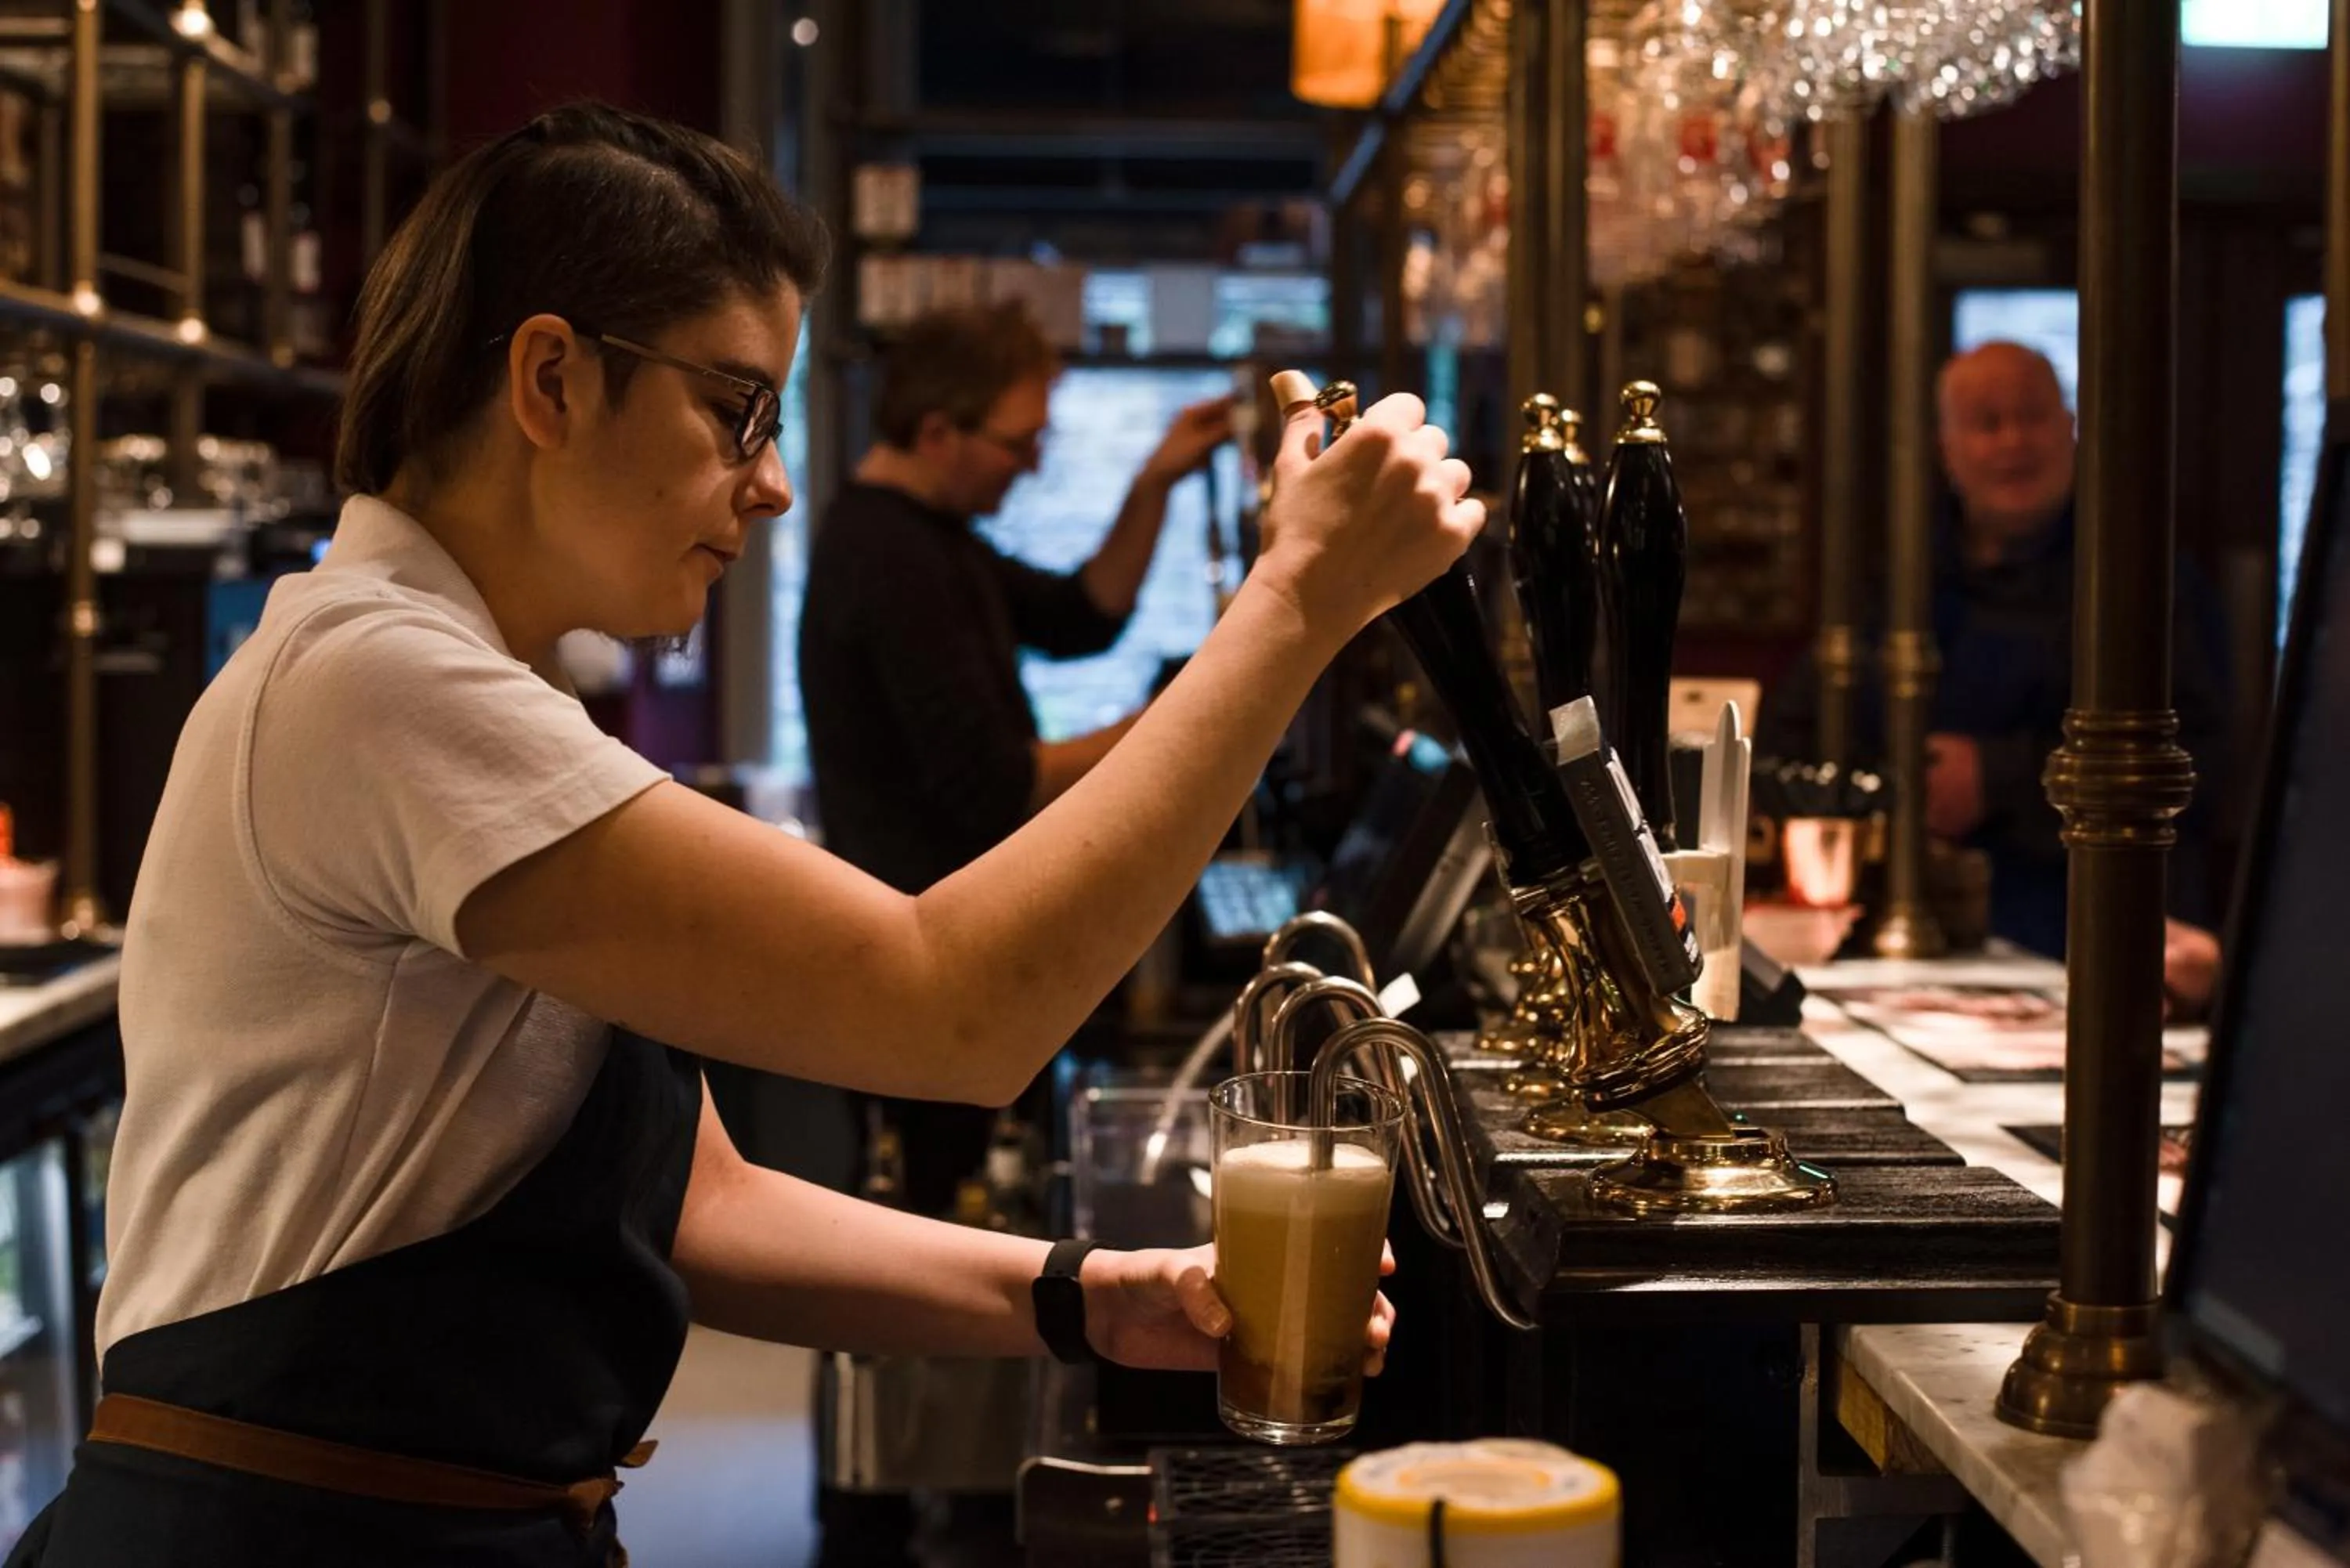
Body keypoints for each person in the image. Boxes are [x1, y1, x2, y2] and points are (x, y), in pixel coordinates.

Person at [13, 104, 1476, 1568]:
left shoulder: (476, 695)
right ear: (550, 380)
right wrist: (1295, 604)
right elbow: (953, 1005)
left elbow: (706, 1205)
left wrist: (1088, 1294)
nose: (772, 483)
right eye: (737, 410)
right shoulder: (373, 682)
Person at [799, 303, 1230, 1217]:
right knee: (933, 1221)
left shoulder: (934, 537)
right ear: (937, 431)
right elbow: (999, 782)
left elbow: (1084, 612)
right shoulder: (890, 559)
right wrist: (1193, 716)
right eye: (1018, 442)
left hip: (941, 963)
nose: (1034, 462)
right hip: (920, 977)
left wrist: (1156, 480)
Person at [1762, 341, 2232, 967]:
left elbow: (2208, 765)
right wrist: (1893, 787)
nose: (2013, 442)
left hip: (2090, 942)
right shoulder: (1899, 583)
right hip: (1901, 943)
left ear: (2070, 428)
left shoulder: (2143, 582)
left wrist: (1999, 776)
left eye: (2033, 416)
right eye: (1987, 422)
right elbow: (1795, 737)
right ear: (1945, 447)